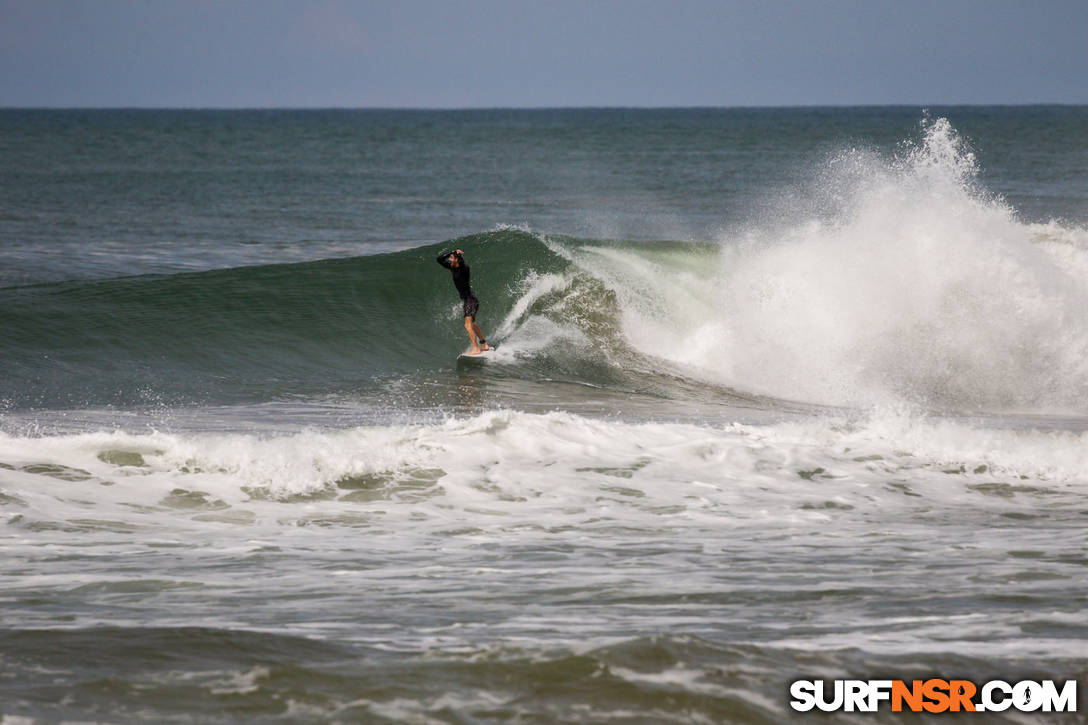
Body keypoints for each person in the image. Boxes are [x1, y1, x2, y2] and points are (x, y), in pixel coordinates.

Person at [437, 248, 490, 354]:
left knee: (467, 325)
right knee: (472, 324)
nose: (450, 259)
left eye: (452, 258)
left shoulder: (464, 269)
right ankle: (484, 344)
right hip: (468, 301)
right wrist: (452, 252)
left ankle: (476, 348)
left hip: (470, 300)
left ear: (457, 260)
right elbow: (439, 259)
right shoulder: (452, 268)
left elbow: (463, 265)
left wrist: (457, 254)